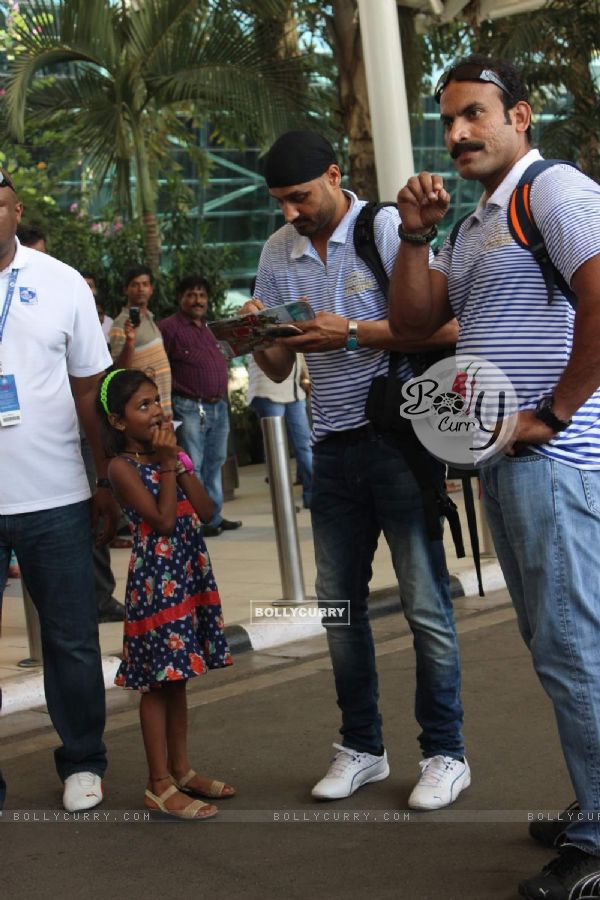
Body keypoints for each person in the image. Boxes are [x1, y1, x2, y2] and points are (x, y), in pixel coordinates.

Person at [389, 55, 600, 899]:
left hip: (556, 460)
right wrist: (412, 233)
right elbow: (412, 323)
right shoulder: (478, 220)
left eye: (475, 114)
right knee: (562, 647)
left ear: (521, 114)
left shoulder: (552, 192)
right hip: (509, 465)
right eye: (447, 120)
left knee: (574, 651)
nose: (458, 133)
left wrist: (551, 412)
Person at [241, 130, 467, 809]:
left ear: (335, 175)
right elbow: (281, 364)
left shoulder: (390, 228)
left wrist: (348, 332)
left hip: (399, 443)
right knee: (339, 612)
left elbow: (445, 328)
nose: (290, 213)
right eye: (279, 201)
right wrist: (256, 334)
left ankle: (445, 753)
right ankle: (362, 746)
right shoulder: (277, 252)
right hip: (331, 448)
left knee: (426, 606)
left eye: (300, 197)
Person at [0, 167, 119, 811]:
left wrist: (104, 480)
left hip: (55, 497)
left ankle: (83, 760)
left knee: (71, 638)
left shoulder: (61, 281)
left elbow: (90, 391)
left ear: (17, 211)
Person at [97, 367, 234, 819]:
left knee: (178, 678)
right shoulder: (122, 467)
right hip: (157, 583)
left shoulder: (170, 453)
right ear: (119, 422)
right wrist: (169, 464)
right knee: (157, 682)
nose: (155, 411)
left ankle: (182, 769)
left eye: (156, 401)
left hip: (188, 575)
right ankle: (158, 784)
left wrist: (179, 461)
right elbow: (162, 521)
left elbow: (207, 510)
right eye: (142, 405)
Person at [159, 275, 241, 537]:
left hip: (218, 405)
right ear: (181, 298)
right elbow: (162, 368)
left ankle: (213, 515)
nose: (197, 301)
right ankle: (200, 520)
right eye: (191, 295)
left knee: (215, 461)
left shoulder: (211, 327)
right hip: (189, 406)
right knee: (193, 463)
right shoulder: (169, 328)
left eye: (202, 295)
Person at [247, 354, 313, 508]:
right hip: (268, 392)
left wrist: (306, 378)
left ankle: (311, 496)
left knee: (305, 447)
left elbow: (301, 354)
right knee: (276, 450)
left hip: (295, 393)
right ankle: (283, 502)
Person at [109, 265, 172, 418]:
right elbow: (119, 371)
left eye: (145, 284)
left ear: (151, 289)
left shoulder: (151, 317)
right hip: (144, 411)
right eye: (135, 284)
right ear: (126, 290)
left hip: (163, 406)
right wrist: (130, 341)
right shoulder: (120, 323)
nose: (141, 289)